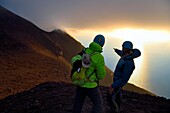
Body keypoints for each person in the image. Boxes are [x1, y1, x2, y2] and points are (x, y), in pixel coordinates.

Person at [71, 34, 106, 113]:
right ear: (102, 44)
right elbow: (101, 75)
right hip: (91, 85)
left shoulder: (85, 51)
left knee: (78, 103)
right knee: (98, 104)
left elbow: (75, 60)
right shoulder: (99, 57)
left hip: (80, 82)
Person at [108, 41, 141, 113]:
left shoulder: (129, 63)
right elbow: (121, 53)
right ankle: (116, 110)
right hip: (116, 81)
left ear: (126, 49)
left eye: (123, 47)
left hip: (118, 82)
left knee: (111, 97)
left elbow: (124, 79)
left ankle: (115, 111)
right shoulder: (125, 56)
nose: (122, 48)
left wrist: (113, 85)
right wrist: (116, 50)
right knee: (116, 97)